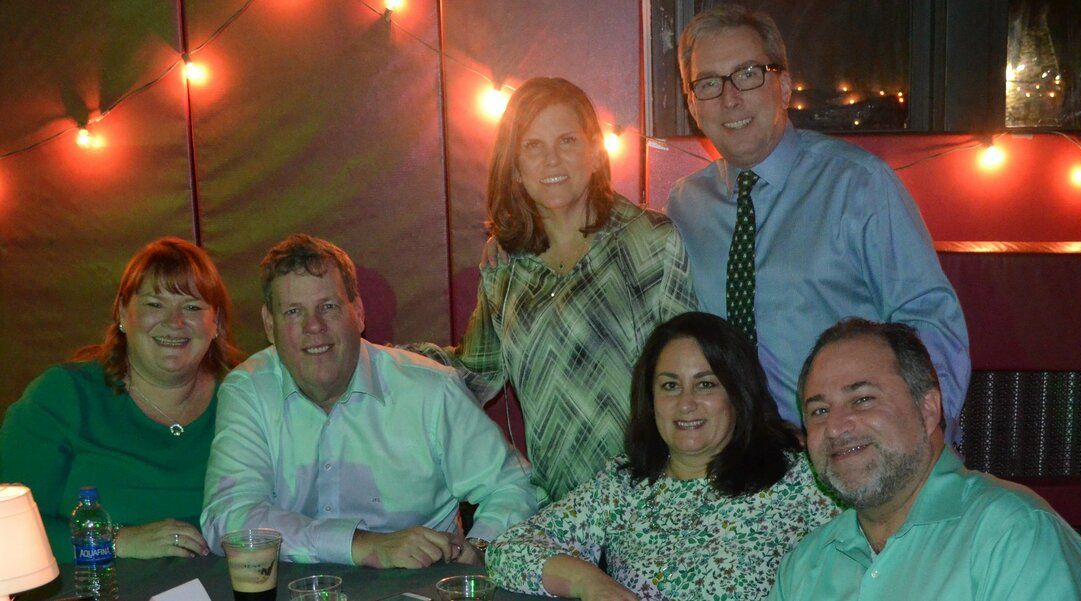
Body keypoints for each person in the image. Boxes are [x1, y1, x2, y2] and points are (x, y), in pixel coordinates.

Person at [666, 4, 970, 446]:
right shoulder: (685, 206)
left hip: (848, 451)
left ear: (784, 86)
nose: (730, 98)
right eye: (709, 83)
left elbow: (929, 320)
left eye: (748, 74)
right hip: (737, 459)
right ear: (693, 105)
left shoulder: (858, 184)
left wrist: (926, 438)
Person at [411, 77, 697, 505]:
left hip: (653, 499)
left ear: (594, 152)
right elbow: (475, 376)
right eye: (533, 146)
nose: (552, 160)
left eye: (567, 140)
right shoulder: (506, 266)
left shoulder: (650, 240)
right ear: (515, 166)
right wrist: (380, 365)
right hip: (559, 509)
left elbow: (691, 369)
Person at [201, 234, 538, 568]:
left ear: (359, 313)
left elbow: (514, 485)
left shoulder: (431, 391)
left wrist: (480, 548)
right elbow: (228, 516)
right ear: (269, 326)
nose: (313, 326)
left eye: (328, 306)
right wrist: (362, 546)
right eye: (293, 311)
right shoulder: (248, 391)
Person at [487, 312, 838, 600]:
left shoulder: (798, 479)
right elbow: (508, 551)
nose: (686, 403)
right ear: (650, 399)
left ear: (738, 393)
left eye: (706, 384)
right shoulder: (624, 486)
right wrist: (590, 583)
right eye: (670, 385)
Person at [769, 318, 1081, 600]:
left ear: (928, 410)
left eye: (862, 399)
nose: (836, 427)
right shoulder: (805, 568)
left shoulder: (1013, 535)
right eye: (819, 411)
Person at [0, 237, 243, 563]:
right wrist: (116, 541)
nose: (175, 322)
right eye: (155, 304)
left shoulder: (246, 398)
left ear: (217, 324)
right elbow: (6, 530)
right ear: (122, 314)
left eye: (192, 307)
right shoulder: (63, 396)